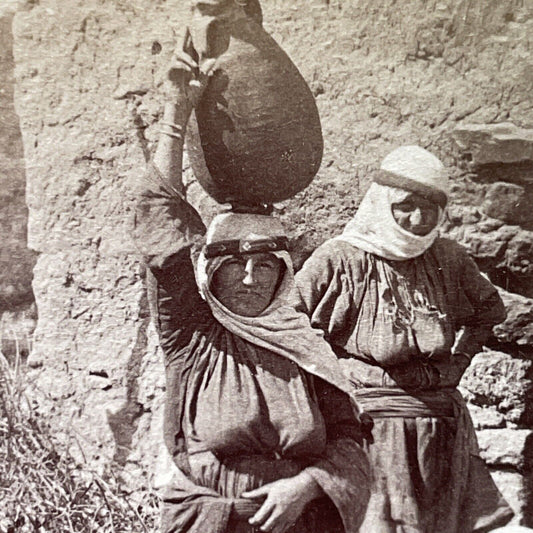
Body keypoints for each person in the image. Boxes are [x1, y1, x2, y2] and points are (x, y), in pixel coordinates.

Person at [131, 52, 370, 533]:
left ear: (284, 273)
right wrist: (177, 113)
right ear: (210, 273)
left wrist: (304, 486)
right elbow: (161, 231)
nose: (249, 278)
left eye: (265, 265)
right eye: (233, 265)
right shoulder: (191, 339)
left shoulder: (305, 349)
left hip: (303, 522)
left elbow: (350, 440)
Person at [293, 145, 514, 533]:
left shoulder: (448, 256)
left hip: (440, 426)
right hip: (370, 428)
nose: (418, 219)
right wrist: (331, 385)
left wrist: (458, 364)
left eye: (430, 208)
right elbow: (289, 322)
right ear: (382, 202)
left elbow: (489, 311)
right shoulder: (341, 258)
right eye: (406, 205)